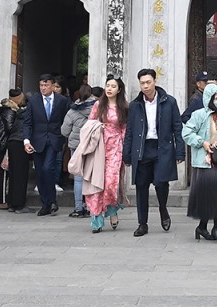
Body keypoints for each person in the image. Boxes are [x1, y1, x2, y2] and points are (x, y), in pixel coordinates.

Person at [122, 68, 185, 236]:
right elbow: (130, 131)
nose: (145, 86)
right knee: (141, 186)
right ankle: (142, 223)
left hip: (162, 148)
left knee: (161, 182)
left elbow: (177, 128)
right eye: (142, 83)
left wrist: (180, 151)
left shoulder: (169, 101)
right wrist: (126, 154)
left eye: (148, 82)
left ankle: (163, 209)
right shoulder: (135, 105)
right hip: (142, 149)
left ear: (155, 81)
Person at [182, 83, 217, 243]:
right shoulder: (198, 115)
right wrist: (202, 142)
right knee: (211, 194)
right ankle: (215, 227)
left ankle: (205, 226)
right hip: (203, 162)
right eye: (216, 98)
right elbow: (187, 133)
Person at [80, 76, 128, 233]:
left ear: (119, 90)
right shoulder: (98, 105)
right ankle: (96, 219)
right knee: (96, 183)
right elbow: (89, 123)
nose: (109, 89)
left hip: (116, 148)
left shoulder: (124, 107)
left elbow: (124, 129)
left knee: (110, 182)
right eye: (108, 85)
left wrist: (125, 150)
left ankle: (112, 209)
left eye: (113, 86)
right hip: (98, 147)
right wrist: (97, 127)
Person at [23, 73, 69, 216]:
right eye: (41, 85)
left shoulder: (62, 100)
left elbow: (66, 119)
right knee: (40, 173)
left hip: (54, 140)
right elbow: (27, 122)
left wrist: (64, 136)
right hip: (37, 141)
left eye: (46, 85)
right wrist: (26, 140)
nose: (43, 88)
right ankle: (46, 203)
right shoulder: (33, 101)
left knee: (48, 168)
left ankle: (52, 200)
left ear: (53, 86)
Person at [61, 83, 98, 218]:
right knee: (92, 178)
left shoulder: (72, 111)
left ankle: (78, 208)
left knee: (78, 178)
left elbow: (64, 131)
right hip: (93, 146)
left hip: (76, 147)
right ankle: (91, 207)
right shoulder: (97, 109)